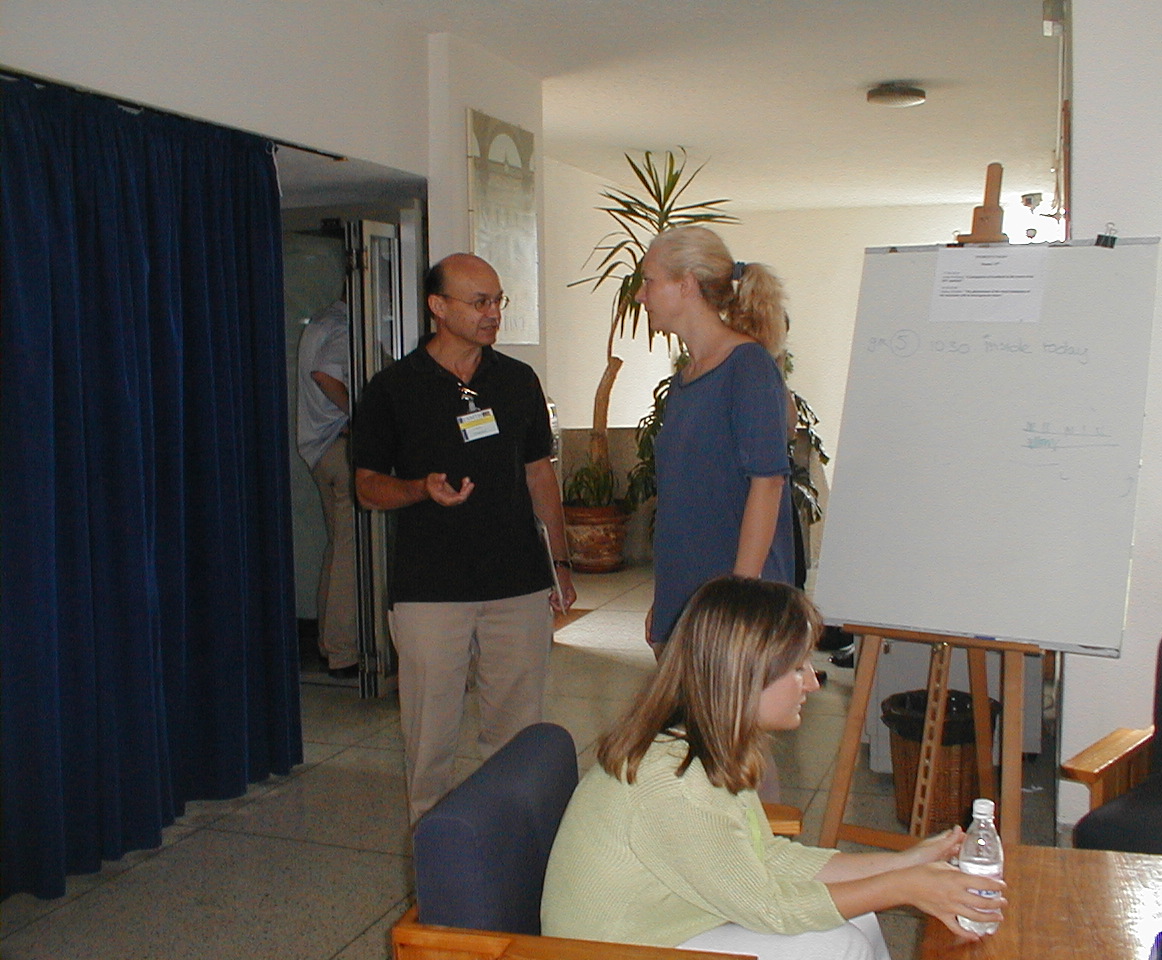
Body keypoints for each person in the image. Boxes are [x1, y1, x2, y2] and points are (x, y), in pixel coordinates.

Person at [541, 577, 1005, 960]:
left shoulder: (705, 743)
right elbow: (770, 907)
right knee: (837, 944)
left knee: (856, 917)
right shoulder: (677, 782)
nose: (812, 682)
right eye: (797, 667)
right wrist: (903, 886)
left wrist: (904, 864)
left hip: (660, 929)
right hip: (608, 950)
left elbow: (768, 859)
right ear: (744, 676)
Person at [350, 253, 575, 821]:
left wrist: (561, 563)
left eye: (498, 300)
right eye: (479, 302)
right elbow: (367, 488)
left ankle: (510, 844)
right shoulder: (393, 388)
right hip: (431, 591)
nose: (493, 312)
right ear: (438, 307)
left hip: (517, 583)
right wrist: (420, 489)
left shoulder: (518, 381)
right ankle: (434, 850)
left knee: (516, 738)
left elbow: (539, 474)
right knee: (430, 740)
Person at [636, 225, 794, 653]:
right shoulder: (686, 379)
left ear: (686, 284)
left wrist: (736, 604)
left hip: (733, 609)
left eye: (649, 281)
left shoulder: (748, 367)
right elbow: (684, 502)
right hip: (686, 597)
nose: (640, 296)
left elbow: (768, 483)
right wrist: (666, 599)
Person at [296, 298, 358, 679]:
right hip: (340, 447)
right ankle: (343, 651)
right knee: (350, 555)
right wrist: (360, 414)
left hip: (319, 451)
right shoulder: (344, 327)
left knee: (337, 550)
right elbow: (325, 375)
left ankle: (327, 643)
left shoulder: (321, 320)